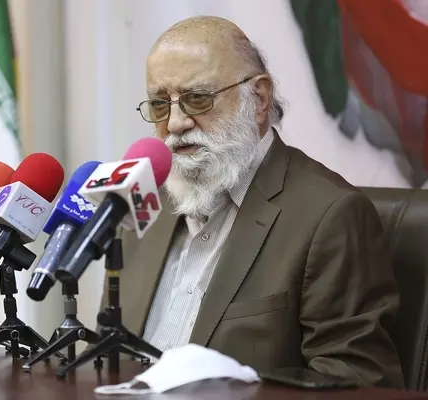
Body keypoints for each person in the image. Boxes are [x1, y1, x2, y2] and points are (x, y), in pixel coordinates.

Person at [97, 16, 404, 387]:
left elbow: (357, 385)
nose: (175, 123)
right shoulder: (141, 207)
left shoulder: (330, 217)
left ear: (258, 98)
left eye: (197, 98)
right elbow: (105, 355)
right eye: (160, 104)